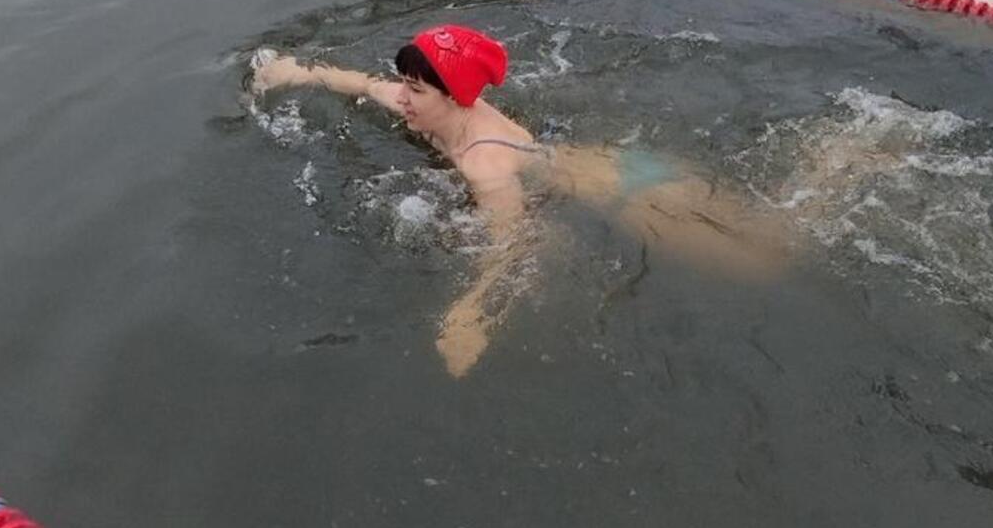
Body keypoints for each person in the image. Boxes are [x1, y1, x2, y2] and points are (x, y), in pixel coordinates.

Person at [252, 25, 785, 376]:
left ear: (456, 97)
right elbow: (362, 84)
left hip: (633, 194)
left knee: (774, 254)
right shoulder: (425, 105)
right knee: (777, 230)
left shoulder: (486, 163)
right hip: (612, 166)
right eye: (405, 84)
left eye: (416, 90)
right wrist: (296, 72)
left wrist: (471, 314)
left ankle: (850, 154)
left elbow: (513, 244)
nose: (402, 96)